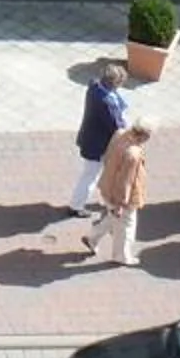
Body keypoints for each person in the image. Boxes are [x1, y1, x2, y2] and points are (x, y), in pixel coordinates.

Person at [83, 117, 152, 267]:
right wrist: (121, 203)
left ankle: (92, 237)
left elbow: (108, 156)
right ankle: (121, 256)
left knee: (113, 217)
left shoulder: (120, 133)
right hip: (121, 196)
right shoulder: (133, 154)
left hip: (107, 185)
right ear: (144, 135)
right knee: (127, 226)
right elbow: (125, 182)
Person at [70, 64, 131, 213]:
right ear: (114, 83)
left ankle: (106, 199)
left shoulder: (94, 86)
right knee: (90, 176)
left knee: (99, 173)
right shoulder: (106, 102)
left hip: (91, 140)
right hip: (98, 146)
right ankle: (76, 206)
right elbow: (116, 126)